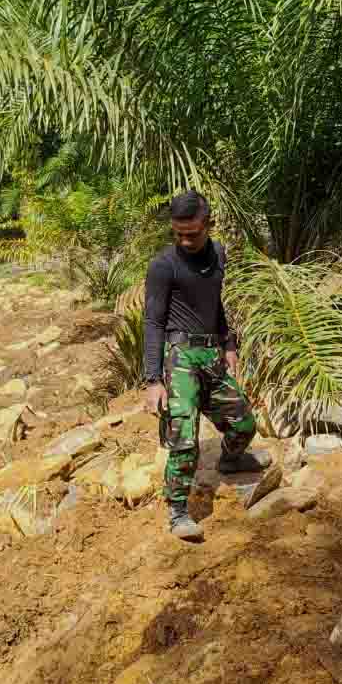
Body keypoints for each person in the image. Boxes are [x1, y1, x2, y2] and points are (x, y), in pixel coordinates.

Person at [143, 191, 266, 542]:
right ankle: (178, 511)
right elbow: (152, 322)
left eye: (193, 233)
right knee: (184, 439)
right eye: (178, 233)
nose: (185, 240)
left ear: (208, 225)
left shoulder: (219, 255)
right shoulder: (163, 266)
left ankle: (229, 460)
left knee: (244, 424)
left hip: (211, 355)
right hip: (179, 357)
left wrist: (228, 343)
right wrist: (153, 379)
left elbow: (215, 305)